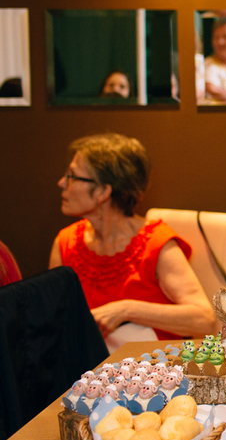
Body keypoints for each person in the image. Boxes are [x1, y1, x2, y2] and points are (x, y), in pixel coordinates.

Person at [49, 133, 214, 346]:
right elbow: (52, 317)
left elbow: (204, 320)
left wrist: (127, 309)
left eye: (72, 176)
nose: (62, 183)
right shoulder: (66, 242)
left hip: (151, 363)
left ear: (103, 192)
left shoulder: (155, 244)